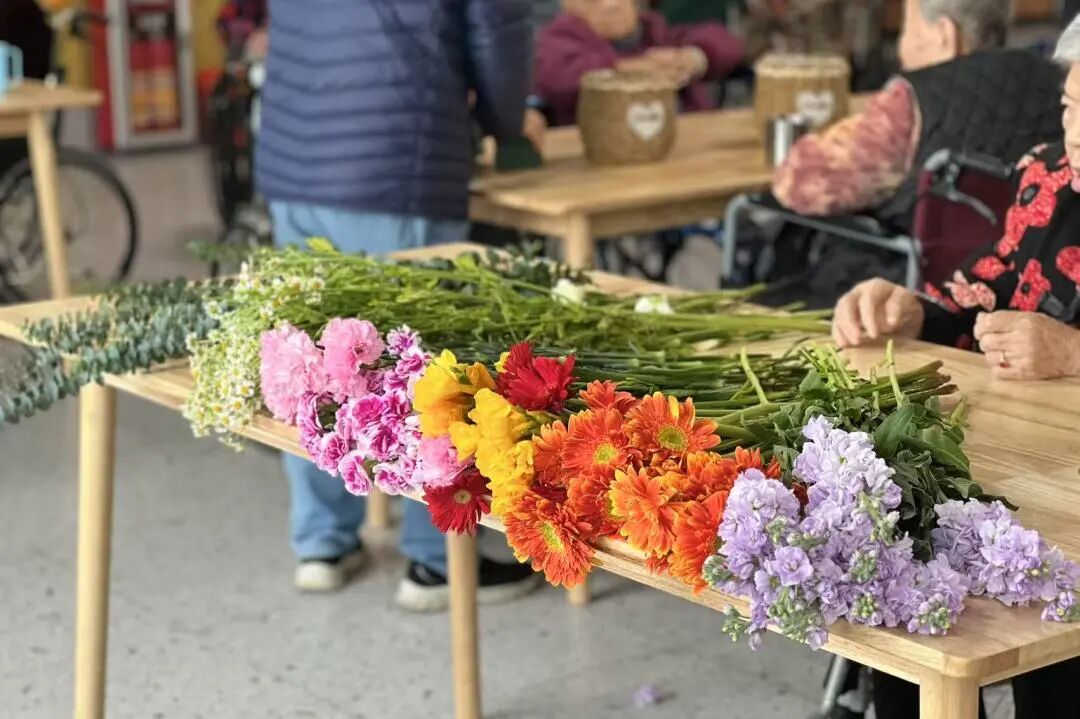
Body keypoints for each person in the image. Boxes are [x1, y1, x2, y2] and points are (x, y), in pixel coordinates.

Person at [830, 15, 1080, 717]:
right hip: (1029, 465)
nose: (1077, 131)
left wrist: (1071, 352)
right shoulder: (1050, 176)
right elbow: (985, 293)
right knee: (897, 551)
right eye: (1071, 105)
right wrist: (912, 310)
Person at [255, 0, 540, 611]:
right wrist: (508, 124)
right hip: (396, 150)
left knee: (312, 352)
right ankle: (435, 560)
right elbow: (498, 28)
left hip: (297, 152)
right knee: (418, 361)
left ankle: (321, 543)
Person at [773, 0, 1062, 235]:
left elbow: (798, 182)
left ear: (944, 34)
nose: (901, 47)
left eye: (907, 28)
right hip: (1019, 275)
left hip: (905, 278)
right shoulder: (1058, 82)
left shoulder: (910, 101)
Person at [533, 0, 744, 126]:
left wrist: (692, 58)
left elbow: (728, 45)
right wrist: (630, 70)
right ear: (567, 6)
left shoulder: (656, 31)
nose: (611, 4)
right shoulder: (556, 42)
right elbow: (556, 78)